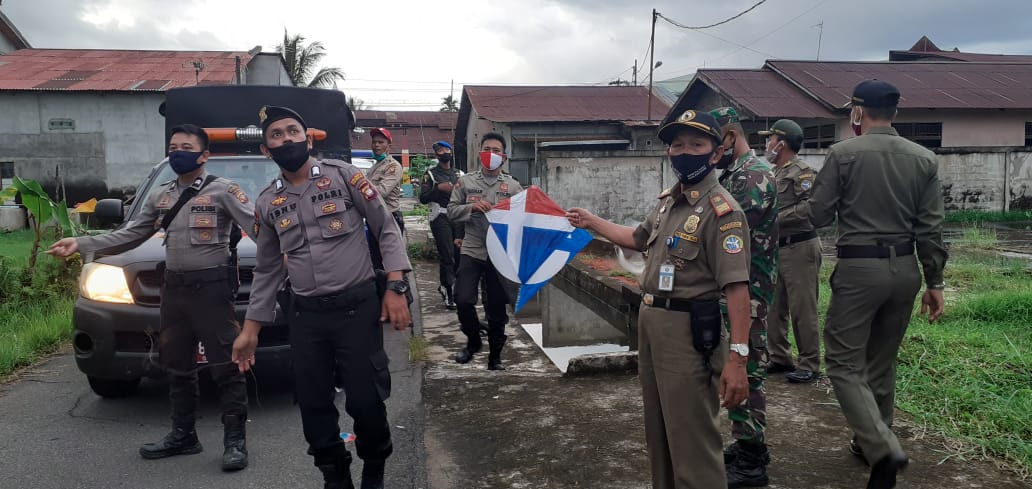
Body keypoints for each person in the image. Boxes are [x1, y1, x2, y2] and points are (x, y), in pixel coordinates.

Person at [48, 124, 253, 471]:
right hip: (173, 291)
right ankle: (183, 435)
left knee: (226, 365)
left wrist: (292, 252)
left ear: (204, 155)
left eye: (186, 146)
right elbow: (129, 235)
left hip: (212, 290)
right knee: (176, 364)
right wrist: (82, 244)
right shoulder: (162, 195)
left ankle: (235, 441)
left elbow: (259, 227)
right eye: (173, 146)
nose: (177, 152)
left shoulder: (223, 191)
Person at [566, 109, 751, 489]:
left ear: (715, 154)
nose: (684, 151)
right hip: (654, 326)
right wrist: (591, 221)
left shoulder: (723, 212)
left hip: (689, 334)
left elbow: (737, 288)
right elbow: (636, 239)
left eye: (696, 144)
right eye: (677, 144)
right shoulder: (669, 202)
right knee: (661, 434)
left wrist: (738, 359)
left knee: (692, 441)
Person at [232, 106, 412, 489]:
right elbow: (266, 269)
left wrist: (396, 287)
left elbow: (386, 230)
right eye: (276, 135)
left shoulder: (345, 177)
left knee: (365, 401)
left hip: (356, 309)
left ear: (308, 138)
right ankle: (335, 474)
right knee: (313, 405)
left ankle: (375, 468)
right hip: (307, 316)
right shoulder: (267, 202)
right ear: (267, 150)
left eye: (292, 131)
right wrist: (250, 330)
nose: (286, 139)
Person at [800, 79, 947, 489]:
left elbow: (819, 214)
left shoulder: (842, 153)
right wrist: (935, 281)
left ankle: (883, 447)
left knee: (844, 362)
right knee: (881, 362)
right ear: (895, 113)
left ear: (858, 112)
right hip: (905, 270)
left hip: (860, 269)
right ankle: (871, 446)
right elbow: (931, 226)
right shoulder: (923, 158)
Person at [709, 106, 779, 488]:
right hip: (740, 287)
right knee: (741, 364)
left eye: (713, 144)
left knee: (746, 368)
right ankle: (745, 442)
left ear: (730, 138)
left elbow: (729, 234)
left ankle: (753, 460)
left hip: (748, 289)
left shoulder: (751, 177)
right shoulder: (736, 174)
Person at [447, 132, 523, 370]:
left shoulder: (513, 186)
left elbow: (525, 218)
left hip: (499, 253)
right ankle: (473, 342)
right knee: (463, 299)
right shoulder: (466, 182)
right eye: (487, 149)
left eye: (497, 150)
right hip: (473, 248)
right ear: (480, 153)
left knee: (496, 307)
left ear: (504, 157)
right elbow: (451, 210)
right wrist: (471, 208)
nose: (492, 154)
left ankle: (495, 357)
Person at [759, 119, 822, 384]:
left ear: (781, 143)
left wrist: (774, 218)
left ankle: (809, 363)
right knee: (774, 308)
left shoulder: (803, 172)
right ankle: (780, 357)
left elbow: (811, 208)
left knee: (802, 307)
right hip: (778, 248)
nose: (767, 144)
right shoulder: (774, 172)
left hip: (800, 246)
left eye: (770, 139)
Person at [419, 140, 461, 309]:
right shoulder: (429, 174)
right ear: (436, 154)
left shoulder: (459, 173)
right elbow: (423, 198)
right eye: (440, 150)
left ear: (451, 152)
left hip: (458, 217)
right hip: (440, 216)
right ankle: (448, 291)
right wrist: (439, 189)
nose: (444, 152)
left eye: (446, 149)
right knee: (447, 255)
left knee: (459, 255)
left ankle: (452, 286)